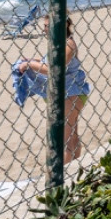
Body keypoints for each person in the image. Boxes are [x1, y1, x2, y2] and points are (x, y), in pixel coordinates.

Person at [11, 14, 91, 162]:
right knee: (71, 135)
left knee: (65, 139)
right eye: (45, 26)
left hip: (69, 92)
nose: (45, 30)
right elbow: (51, 62)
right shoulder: (58, 43)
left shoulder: (68, 44)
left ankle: (64, 174)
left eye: (49, 26)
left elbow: (54, 69)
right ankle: (73, 167)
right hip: (66, 92)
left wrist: (29, 65)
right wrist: (35, 60)